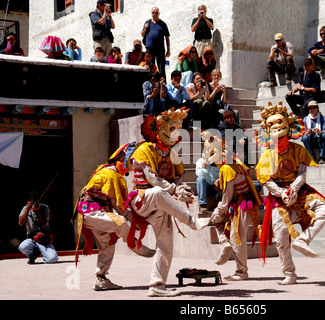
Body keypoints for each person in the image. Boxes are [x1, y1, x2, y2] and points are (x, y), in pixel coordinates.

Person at [125, 111, 211, 297]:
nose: (175, 134)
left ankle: (157, 285)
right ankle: (191, 221)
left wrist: (182, 190)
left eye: (177, 130)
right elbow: (152, 179)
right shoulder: (144, 149)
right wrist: (174, 190)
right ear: (159, 129)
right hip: (143, 199)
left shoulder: (172, 153)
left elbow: (176, 179)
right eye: (172, 129)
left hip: (162, 203)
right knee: (157, 191)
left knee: (165, 245)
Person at [255, 102, 325, 285]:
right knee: (281, 237)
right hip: (278, 198)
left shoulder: (298, 149)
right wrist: (281, 192)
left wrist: (294, 189)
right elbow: (266, 180)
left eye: (279, 123)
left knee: (324, 209)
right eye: (271, 125)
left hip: (299, 192)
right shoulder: (267, 155)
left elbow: (301, 173)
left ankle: (303, 240)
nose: (276, 128)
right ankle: (289, 273)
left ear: (288, 126)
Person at [74, 143, 154, 291]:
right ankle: (133, 244)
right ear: (123, 158)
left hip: (94, 213)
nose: (134, 163)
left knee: (107, 244)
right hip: (93, 212)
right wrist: (134, 221)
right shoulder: (111, 174)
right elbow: (117, 204)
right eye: (132, 160)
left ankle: (101, 279)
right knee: (121, 222)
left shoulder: (109, 171)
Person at [202, 131, 262, 280]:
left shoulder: (227, 168)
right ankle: (224, 244)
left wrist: (219, 210)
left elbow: (227, 195)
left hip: (243, 204)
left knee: (237, 238)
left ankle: (242, 271)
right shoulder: (234, 163)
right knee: (230, 231)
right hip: (241, 203)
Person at [18, 191, 59, 264]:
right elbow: (20, 223)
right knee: (22, 247)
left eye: (37, 202)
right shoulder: (25, 208)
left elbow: (44, 224)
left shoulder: (44, 208)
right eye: (33, 202)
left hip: (43, 238)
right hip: (32, 238)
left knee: (52, 259)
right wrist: (27, 210)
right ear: (29, 201)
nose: (35, 204)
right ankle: (32, 255)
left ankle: (44, 252)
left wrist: (38, 212)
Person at [141, 7, 171, 78]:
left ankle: (163, 84)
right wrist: (145, 28)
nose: (154, 14)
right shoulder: (147, 22)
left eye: (156, 13)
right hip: (149, 48)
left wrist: (168, 50)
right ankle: (151, 83)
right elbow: (142, 34)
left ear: (159, 13)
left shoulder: (163, 24)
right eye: (153, 13)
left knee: (161, 68)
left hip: (160, 48)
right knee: (150, 67)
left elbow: (167, 37)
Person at [195, 136, 220, 214]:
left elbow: (224, 173)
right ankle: (203, 205)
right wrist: (205, 163)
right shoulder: (200, 161)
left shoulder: (219, 161)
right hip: (206, 186)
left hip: (217, 186)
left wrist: (219, 180)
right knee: (200, 179)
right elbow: (199, 174)